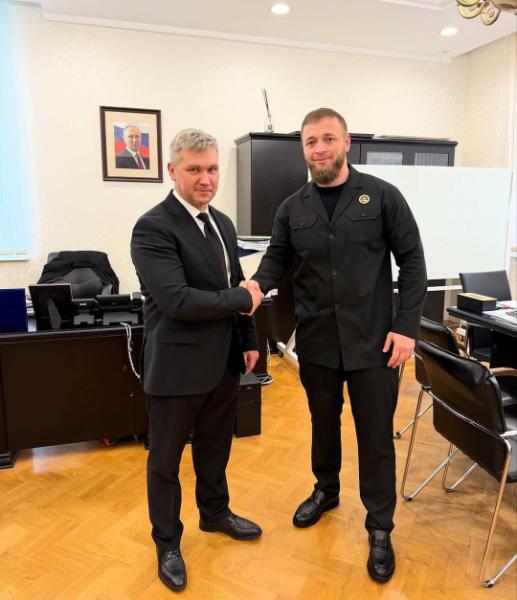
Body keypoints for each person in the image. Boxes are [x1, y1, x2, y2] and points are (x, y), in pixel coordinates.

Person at [241, 108, 427, 584]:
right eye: (311, 142)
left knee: (375, 436)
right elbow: (276, 261)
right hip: (318, 341)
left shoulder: (382, 196)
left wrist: (406, 327)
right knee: (322, 424)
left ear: (345, 142)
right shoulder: (292, 208)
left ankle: (380, 526)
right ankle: (326, 490)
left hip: (375, 343)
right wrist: (255, 286)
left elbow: (412, 262)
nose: (320, 148)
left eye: (328, 139)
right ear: (303, 150)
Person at [131, 128, 263, 593]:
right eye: (194, 169)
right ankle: (167, 542)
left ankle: (215, 512)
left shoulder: (222, 223)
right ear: (172, 170)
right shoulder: (152, 227)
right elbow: (178, 300)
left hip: (224, 361)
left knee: (215, 447)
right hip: (176, 367)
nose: (206, 179)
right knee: (165, 461)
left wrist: (248, 337)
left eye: (212, 169)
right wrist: (243, 300)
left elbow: (235, 282)